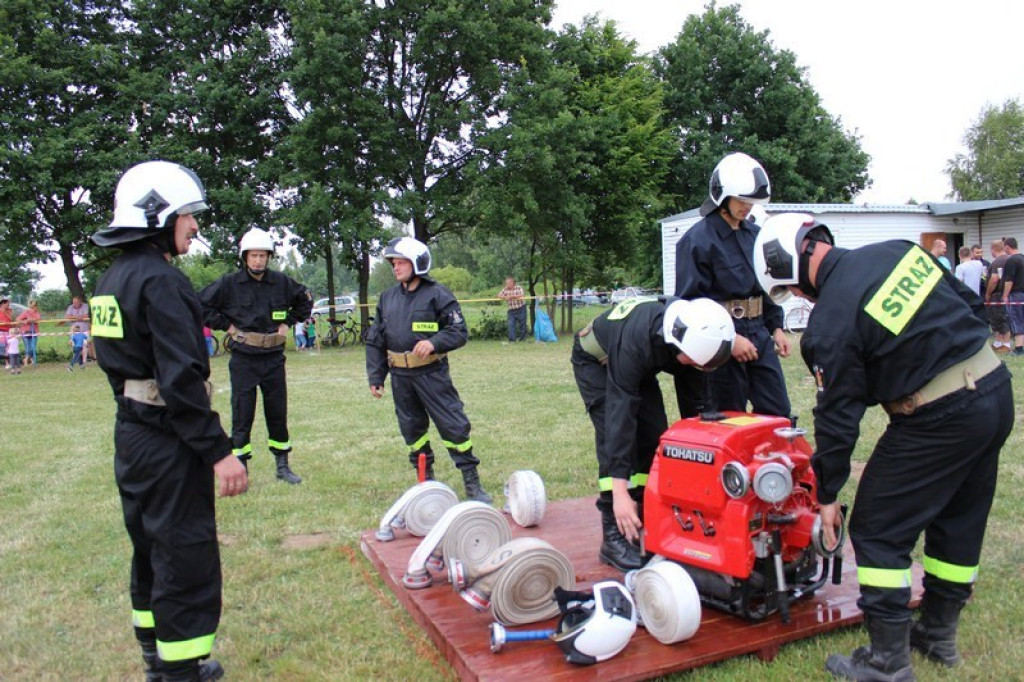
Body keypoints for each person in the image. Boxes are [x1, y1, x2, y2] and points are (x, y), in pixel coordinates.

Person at [754, 213, 1013, 681]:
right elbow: (969, 306)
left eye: (790, 288)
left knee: (876, 528)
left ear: (788, 265)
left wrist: (827, 494)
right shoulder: (898, 251)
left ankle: (887, 659)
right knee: (959, 515)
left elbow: (837, 419)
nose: (797, 297)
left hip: (940, 415)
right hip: (994, 389)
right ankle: (937, 633)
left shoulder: (830, 322)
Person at [90, 160, 248, 680]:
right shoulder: (162, 282)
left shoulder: (111, 280)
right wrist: (219, 451)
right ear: (159, 215)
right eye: (187, 216)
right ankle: (180, 671)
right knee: (184, 553)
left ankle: (154, 655)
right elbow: (180, 381)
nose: (195, 226)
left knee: (149, 547)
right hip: (168, 440)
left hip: (132, 436)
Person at [573, 296, 734, 571]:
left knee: (654, 435)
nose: (698, 368)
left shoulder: (691, 332)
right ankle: (613, 535)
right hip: (597, 360)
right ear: (679, 348)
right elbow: (619, 418)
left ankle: (644, 519)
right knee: (618, 433)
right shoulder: (639, 343)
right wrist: (621, 491)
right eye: (694, 362)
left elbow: (697, 405)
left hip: (639, 363)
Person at [366, 237, 493, 503]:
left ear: (417, 264)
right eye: (393, 263)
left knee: (454, 426)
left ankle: (472, 484)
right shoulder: (387, 298)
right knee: (412, 431)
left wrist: (434, 343)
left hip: (431, 375)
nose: (395, 267)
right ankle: (426, 483)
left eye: (401, 262)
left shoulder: (438, 294)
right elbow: (376, 339)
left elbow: (458, 331)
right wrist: (376, 377)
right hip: (401, 378)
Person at [673, 151, 791, 418]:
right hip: (721, 340)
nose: (747, 206)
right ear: (722, 195)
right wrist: (729, 340)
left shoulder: (756, 235)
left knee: (778, 412)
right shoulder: (697, 241)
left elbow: (766, 285)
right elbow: (692, 304)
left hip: (759, 332)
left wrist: (777, 328)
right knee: (728, 418)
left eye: (751, 200)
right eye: (741, 199)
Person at [200, 228, 312, 485]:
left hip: (273, 358)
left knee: (277, 412)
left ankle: (282, 466)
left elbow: (305, 301)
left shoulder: (282, 282)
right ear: (245, 257)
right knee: (242, 413)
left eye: (263, 255)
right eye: (253, 256)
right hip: (244, 359)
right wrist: (226, 326)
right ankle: (241, 466)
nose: (258, 260)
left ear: (269, 257)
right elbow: (201, 304)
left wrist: (289, 323)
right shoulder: (229, 284)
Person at [985, 239, 1012, 353]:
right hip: (1009, 293)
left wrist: (988, 293)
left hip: (998, 294)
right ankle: (997, 343)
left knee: (1000, 319)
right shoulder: (1010, 259)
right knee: (998, 319)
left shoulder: (997, 262)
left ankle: (1006, 344)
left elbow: (994, 279)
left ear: (993, 249)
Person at [999, 236, 1024, 355]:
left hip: (1015, 295)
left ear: (1007, 247)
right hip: (1022, 294)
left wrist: (1005, 295)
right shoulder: (1022, 258)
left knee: (1015, 319)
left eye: (1004, 247)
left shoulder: (1011, 260)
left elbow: (1009, 280)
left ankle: (1019, 348)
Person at [498, 276, 528, 342]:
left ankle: (522, 340)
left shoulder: (519, 288)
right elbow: (499, 295)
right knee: (510, 325)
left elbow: (522, 295)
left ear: (512, 283)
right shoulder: (505, 289)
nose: (506, 284)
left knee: (523, 325)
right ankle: (512, 340)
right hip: (511, 310)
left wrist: (512, 296)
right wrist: (505, 297)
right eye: (506, 283)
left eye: (507, 283)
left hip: (521, 308)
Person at [66, 295, 93, 361]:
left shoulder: (85, 306)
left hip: (84, 330)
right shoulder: (70, 307)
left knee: (85, 345)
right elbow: (68, 317)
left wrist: (74, 317)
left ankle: (84, 360)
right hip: (74, 331)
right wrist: (80, 317)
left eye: (76, 302)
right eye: (73, 302)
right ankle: (77, 359)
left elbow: (86, 316)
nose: (74, 304)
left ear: (80, 302)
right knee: (74, 346)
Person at [17, 300, 41, 366]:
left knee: (33, 347)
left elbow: (38, 319)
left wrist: (30, 320)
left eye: (36, 305)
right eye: (33, 305)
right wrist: (24, 321)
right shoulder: (25, 312)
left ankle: (30, 360)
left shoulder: (37, 313)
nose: (35, 307)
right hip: (25, 332)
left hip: (34, 332)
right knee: (28, 347)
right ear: (30, 305)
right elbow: (18, 319)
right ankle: (26, 361)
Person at [0, 298, 11, 369]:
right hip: (1, 331)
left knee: (8, 347)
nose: (8, 305)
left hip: (8, 331)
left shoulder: (9, 311)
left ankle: (8, 363)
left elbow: (11, 319)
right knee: (2, 347)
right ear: (3, 304)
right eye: (7, 303)